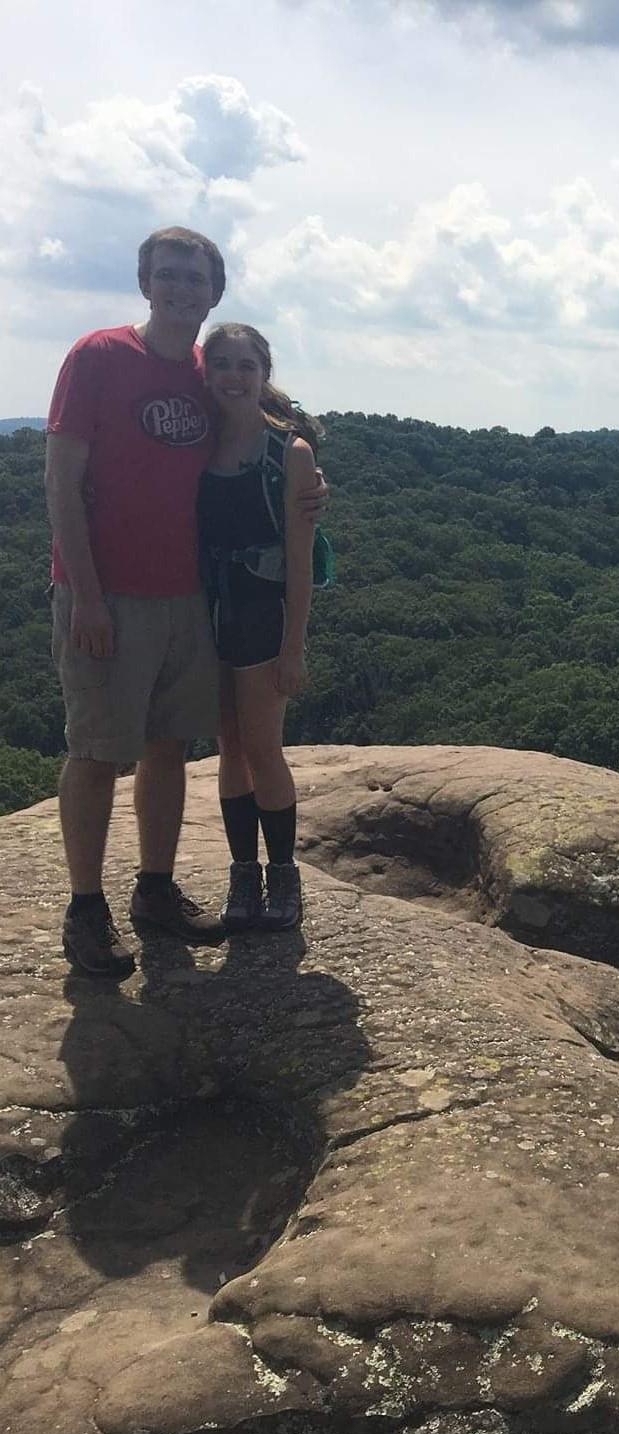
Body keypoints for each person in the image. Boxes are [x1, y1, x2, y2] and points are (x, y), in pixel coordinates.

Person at [45, 227, 324, 977]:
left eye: (194, 278)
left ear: (214, 291)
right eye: (167, 275)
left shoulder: (207, 369)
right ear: (144, 281)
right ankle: (85, 909)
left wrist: (307, 456)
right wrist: (89, 598)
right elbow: (60, 484)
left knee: (169, 747)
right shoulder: (99, 356)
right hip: (108, 593)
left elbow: (255, 401)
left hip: (192, 599)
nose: (180, 288)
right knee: (98, 750)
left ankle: (156, 890)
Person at [198, 324, 318, 932]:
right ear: (206, 372)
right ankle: (243, 873)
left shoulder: (289, 454)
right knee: (228, 746)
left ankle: (284, 876)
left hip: (260, 612)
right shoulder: (196, 443)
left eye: (245, 365)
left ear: (263, 372)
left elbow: (300, 561)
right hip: (204, 613)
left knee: (263, 748)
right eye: (221, 364)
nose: (233, 376)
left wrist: (293, 645)